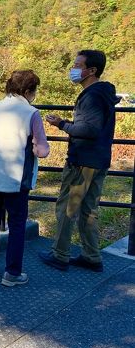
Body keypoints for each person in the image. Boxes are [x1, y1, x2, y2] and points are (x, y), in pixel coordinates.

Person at [39, 50, 120, 272]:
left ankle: (60, 254)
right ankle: (91, 256)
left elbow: (89, 129)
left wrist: (62, 124)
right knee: (89, 209)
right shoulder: (103, 93)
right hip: (99, 159)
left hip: (83, 161)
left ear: (91, 70)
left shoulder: (92, 96)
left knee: (67, 208)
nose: (73, 69)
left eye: (77, 65)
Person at [0, 70, 50, 286]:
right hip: (16, 180)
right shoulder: (31, 113)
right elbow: (41, 151)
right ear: (27, 91)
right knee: (17, 224)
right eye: (33, 91)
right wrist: (41, 147)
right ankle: (12, 273)